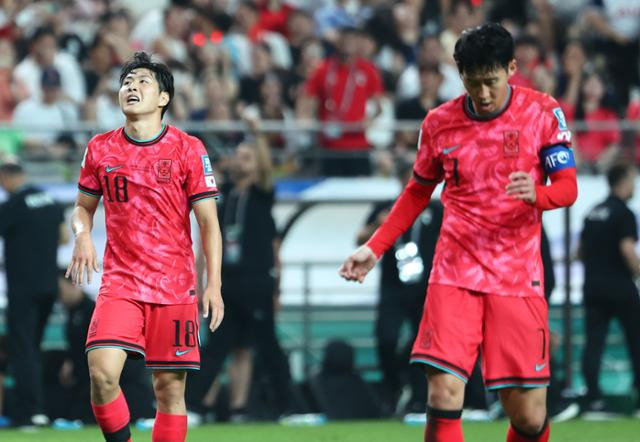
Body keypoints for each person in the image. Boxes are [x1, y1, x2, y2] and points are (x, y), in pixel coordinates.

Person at [339, 23, 578, 442]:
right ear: (459, 73)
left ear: (511, 68)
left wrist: (537, 195)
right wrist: (375, 248)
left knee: (527, 417)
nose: (483, 94)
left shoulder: (542, 112)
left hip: (516, 277)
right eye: (473, 82)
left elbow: (568, 188)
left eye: (492, 81)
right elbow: (417, 192)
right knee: (444, 390)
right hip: (454, 271)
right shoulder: (438, 123)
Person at [65, 51, 224, 442]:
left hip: (174, 287)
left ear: (163, 99)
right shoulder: (100, 149)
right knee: (102, 373)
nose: (131, 87)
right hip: (120, 282)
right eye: (126, 82)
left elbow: (208, 223)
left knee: (169, 391)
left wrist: (214, 284)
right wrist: (82, 235)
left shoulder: (188, 148)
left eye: (142, 82)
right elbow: (82, 209)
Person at [188, 117, 293, 421]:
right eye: (239, 155)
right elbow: (207, 240)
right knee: (216, 347)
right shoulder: (224, 195)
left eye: (247, 157)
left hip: (257, 281)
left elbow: (264, 169)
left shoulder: (262, 194)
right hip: (228, 283)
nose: (240, 161)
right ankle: (193, 407)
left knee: (268, 346)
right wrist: (200, 280)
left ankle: (286, 408)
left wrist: (257, 133)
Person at [357, 160, 443, 416]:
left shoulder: (436, 209)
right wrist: (379, 226)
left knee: (422, 343)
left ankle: (417, 397)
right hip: (393, 287)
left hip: (425, 287)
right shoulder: (385, 208)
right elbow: (361, 238)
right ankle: (394, 387)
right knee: (385, 337)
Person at [0, 161, 67, 427]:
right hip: (49, 286)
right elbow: (63, 237)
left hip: (23, 288)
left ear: (6, 177)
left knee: (23, 349)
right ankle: (40, 407)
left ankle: (30, 412)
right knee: (34, 347)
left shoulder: (12, 206)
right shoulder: (49, 200)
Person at [578, 163, 640, 419]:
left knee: (593, 344)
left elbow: (580, 253)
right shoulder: (624, 213)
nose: (634, 185)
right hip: (621, 288)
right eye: (632, 180)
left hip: (593, 287)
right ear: (623, 181)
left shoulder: (593, 212)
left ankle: (593, 399)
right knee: (636, 342)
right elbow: (627, 250)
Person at [297, 26, 385, 177]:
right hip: (330, 145)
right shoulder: (323, 69)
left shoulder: (368, 69)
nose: (347, 44)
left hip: (358, 144)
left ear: (358, 43)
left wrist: (369, 119)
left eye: (352, 40)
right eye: (344, 40)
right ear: (338, 42)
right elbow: (307, 100)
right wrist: (304, 120)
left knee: (361, 193)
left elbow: (379, 106)